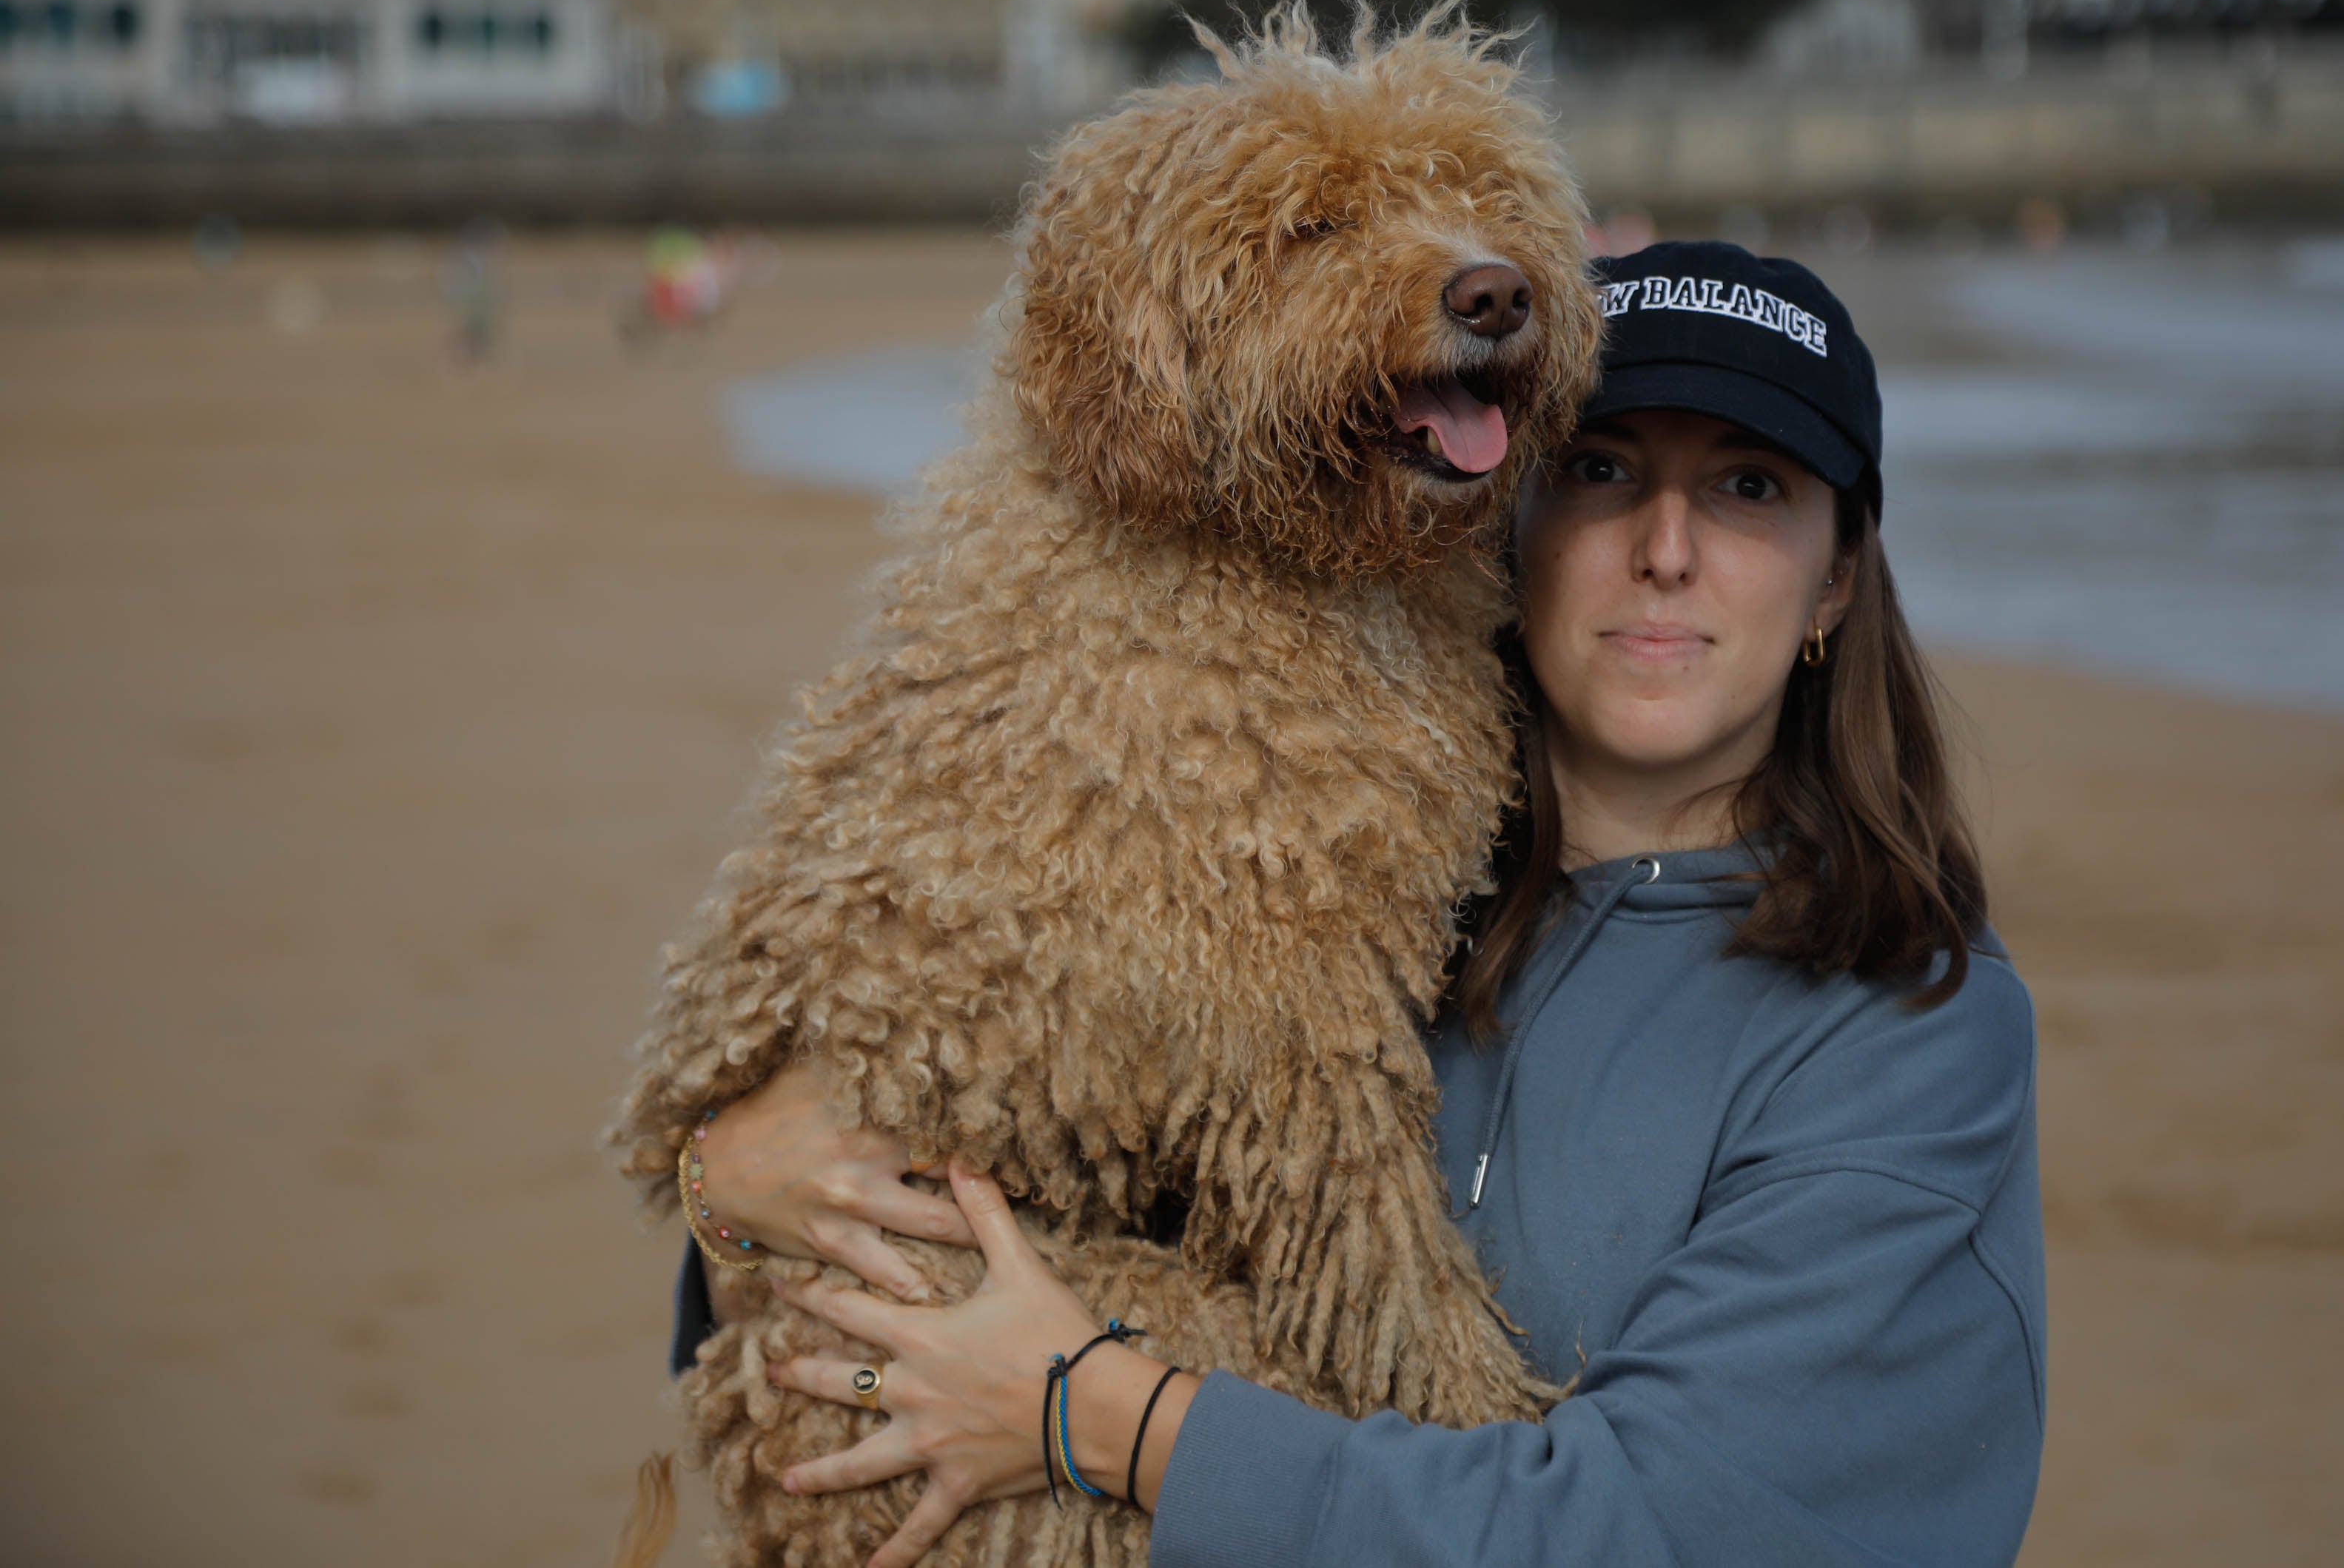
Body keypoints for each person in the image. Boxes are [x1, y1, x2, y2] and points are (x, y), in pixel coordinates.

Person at [669, 243, 2045, 1568]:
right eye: (1600, 470)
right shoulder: (1315, 875)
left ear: (1838, 576)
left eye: (1748, 486)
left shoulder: (1912, 1030)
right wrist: (737, 1189)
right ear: (1506, 512)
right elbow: (1002, 1168)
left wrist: (1111, 1416)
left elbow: (1653, 1532)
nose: (1666, 548)